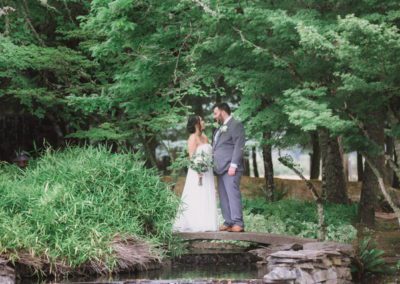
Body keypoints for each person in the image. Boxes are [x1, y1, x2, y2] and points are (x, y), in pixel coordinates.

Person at [173, 115, 218, 232]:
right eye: (201, 120)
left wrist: (207, 166)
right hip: (196, 173)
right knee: (197, 195)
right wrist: (198, 170)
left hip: (207, 172)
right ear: (196, 124)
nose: (204, 122)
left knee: (206, 195)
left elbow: (209, 156)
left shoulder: (205, 137)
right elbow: (192, 158)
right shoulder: (192, 138)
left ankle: (206, 223)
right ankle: (195, 223)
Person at [212, 103, 246, 232]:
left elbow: (239, 146)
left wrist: (234, 164)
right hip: (220, 168)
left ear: (222, 111)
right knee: (223, 196)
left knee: (232, 195)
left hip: (231, 168)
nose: (215, 117)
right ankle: (228, 222)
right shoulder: (220, 128)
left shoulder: (236, 125)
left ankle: (238, 223)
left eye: (215, 113)